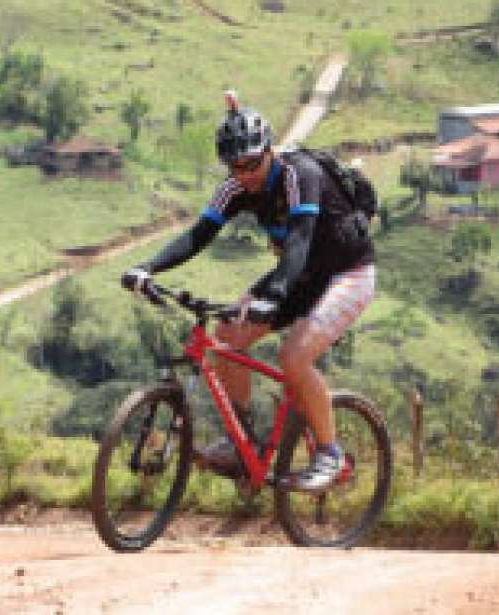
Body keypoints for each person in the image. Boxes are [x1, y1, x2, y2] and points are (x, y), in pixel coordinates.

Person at [121, 91, 375, 492]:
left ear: (270, 150)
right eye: (235, 167)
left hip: (348, 274)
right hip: (301, 276)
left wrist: (271, 297)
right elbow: (198, 235)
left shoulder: (299, 174)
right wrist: (146, 268)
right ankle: (243, 442)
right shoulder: (234, 187)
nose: (245, 174)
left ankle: (331, 454)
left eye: (252, 163)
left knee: (294, 355)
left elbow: (299, 242)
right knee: (226, 338)